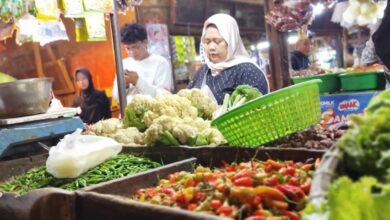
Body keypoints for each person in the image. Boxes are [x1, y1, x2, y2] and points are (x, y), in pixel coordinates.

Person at [187, 13, 269, 105]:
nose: (211, 47)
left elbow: (258, 109)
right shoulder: (203, 70)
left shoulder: (248, 71)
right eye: (207, 42)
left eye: (217, 41)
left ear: (231, 40)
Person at [112, 23, 173, 104]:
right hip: (129, 113)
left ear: (145, 42)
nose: (132, 52)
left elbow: (164, 97)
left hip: (152, 114)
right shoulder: (124, 63)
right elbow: (116, 98)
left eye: (135, 47)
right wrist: (125, 86)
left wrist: (137, 81)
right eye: (128, 48)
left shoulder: (160, 62)